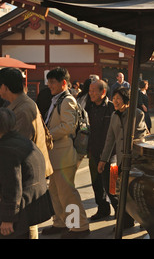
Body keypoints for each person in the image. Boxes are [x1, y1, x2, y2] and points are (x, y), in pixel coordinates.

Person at [0, 67, 54, 238]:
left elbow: (14, 159)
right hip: (30, 175)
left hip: (26, 180)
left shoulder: (22, 109)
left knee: (24, 226)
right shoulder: (20, 104)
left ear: (4, 87)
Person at [40, 67, 90, 239]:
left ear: (63, 83)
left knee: (67, 193)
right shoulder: (58, 99)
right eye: (49, 82)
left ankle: (79, 227)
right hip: (57, 156)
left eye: (52, 82)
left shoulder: (67, 100)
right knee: (55, 192)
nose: (49, 85)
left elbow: (67, 127)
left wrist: (46, 135)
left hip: (64, 155)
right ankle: (61, 223)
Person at [97, 87, 148, 229]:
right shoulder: (114, 115)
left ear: (126, 100)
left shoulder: (137, 114)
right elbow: (110, 139)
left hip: (135, 162)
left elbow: (141, 137)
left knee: (136, 194)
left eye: (118, 98)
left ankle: (145, 221)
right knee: (121, 193)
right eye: (113, 98)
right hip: (120, 161)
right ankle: (126, 221)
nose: (115, 101)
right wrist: (103, 160)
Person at [85, 79, 116, 221]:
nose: (90, 93)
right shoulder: (89, 107)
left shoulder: (112, 107)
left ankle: (121, 213)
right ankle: (102, 209)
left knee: (112, 185)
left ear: (103, 92)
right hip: (94, 151)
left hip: (111, 153)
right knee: (97, 183)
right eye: (89, 90)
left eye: (93, 91)